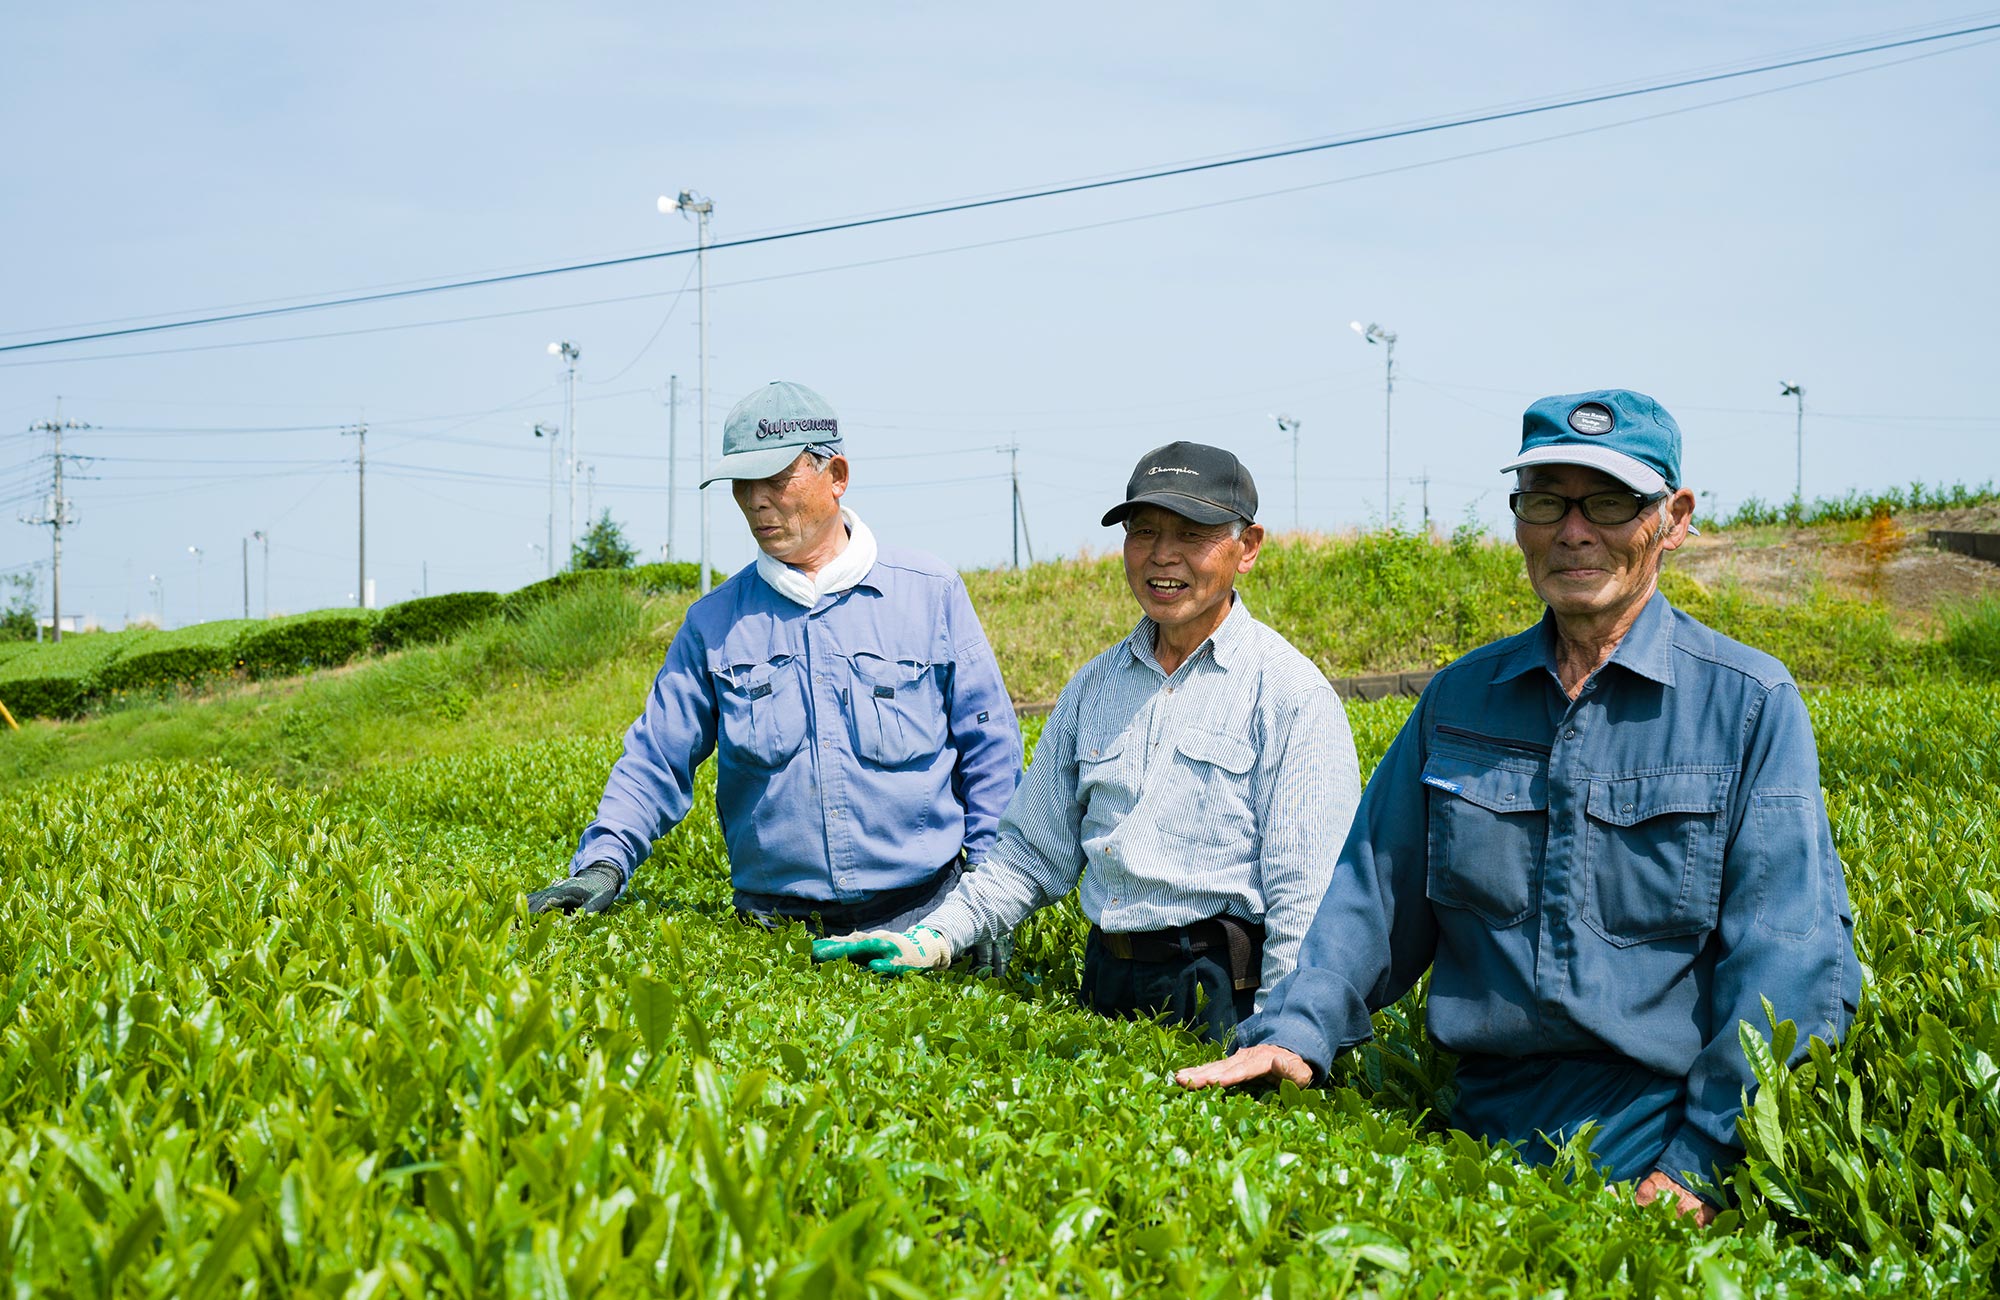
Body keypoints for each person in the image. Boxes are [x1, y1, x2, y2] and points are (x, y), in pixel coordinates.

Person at [1175, 389, 1862, 1221]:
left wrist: (1703, 1161)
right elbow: (1372, 898)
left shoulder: (1748, 704)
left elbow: (1790, 957)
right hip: (1472, 1132)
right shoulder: (1461, 699)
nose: (1574, 529)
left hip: (1658, 1140)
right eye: (1545, 500)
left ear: (1672, 519)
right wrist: (1294, 1032)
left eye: (1609, 501)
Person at [813, 442, 1362, 1045]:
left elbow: (1306, 898)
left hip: (1224, 992)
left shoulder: (1289, 693)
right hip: (1105, 982)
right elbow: (1030, 853)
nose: (1162, 556)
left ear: (1248, 547)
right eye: (1144, 531)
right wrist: (934, 936)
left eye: (1192, 534)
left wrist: (1283, 1040)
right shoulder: (1093, 687)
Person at [526, 380, 1022, 952]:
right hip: (774, 938)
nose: (756, 499)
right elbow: (656, 756)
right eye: (743, 483)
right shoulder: (713, 624)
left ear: (835, 476)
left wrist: (989, 905)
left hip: (926, 922)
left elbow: (991, 753)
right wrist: (603, 864)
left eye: (776, 480)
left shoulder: (929, 594)